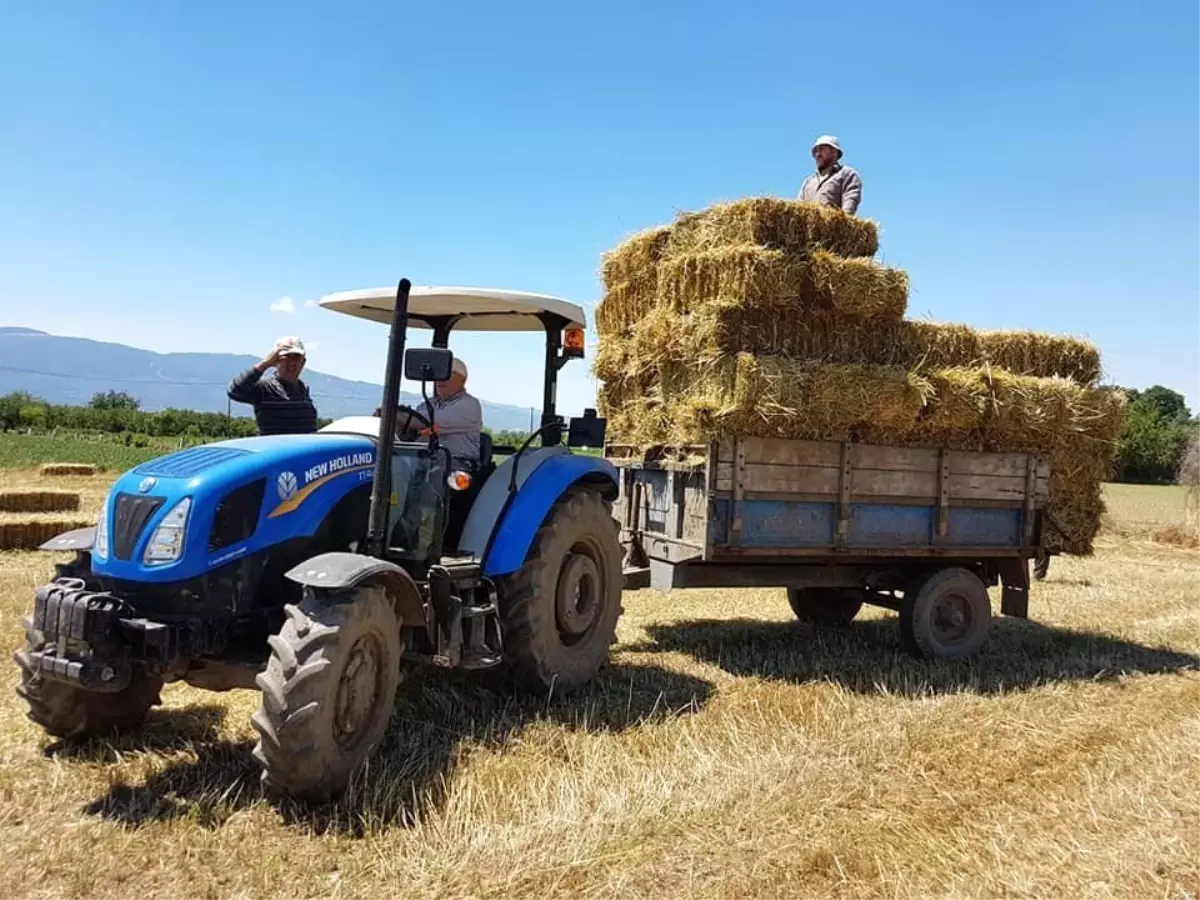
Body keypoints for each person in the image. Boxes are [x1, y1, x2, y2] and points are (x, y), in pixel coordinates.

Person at [227, 336, 318, 436]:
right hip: (276, 450)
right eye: (286, 357)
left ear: (303, 362)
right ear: (276, 361)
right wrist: (265, 364)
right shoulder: (264, 388)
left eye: (296, 357)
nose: (292, 362)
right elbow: (234, 390)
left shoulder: (304, 390)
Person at [413, 357, 483, 471]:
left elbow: (424, 422)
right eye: (438, 374)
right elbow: (411, 423)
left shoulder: (469, 405)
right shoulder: (428, 403)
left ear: (462, 380)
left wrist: (395, 417)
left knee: (436, 471)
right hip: (424, 460)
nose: (440, 379)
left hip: (457, 465)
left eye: (446, 374)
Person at [798, 134, 863, 216]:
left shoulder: (847, 174)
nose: (817, 154)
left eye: (821, 149)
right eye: (815, 151)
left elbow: (850, 203)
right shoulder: (808, 182)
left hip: (833, 228)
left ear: (834, 152)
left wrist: (842, 224)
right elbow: (798, 210)